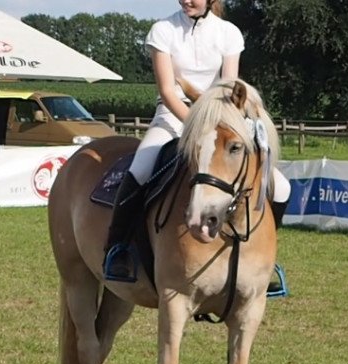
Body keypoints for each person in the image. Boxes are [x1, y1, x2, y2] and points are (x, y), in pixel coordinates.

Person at [103, 0, 291, 283]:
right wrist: (196, 124)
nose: (186, 0)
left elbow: (229, 90)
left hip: (220, 122)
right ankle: (117, 249)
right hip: (172, 117)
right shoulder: (163, 30)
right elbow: (167, 90)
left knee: (282, 187)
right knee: (140, 169)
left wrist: (212, 124)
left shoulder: (229, 33)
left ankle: (265, 256)